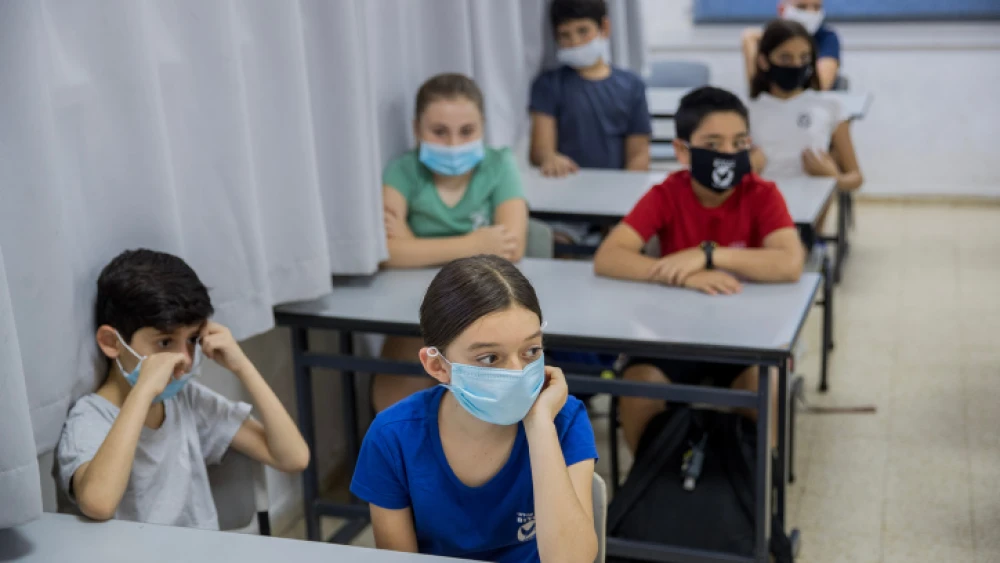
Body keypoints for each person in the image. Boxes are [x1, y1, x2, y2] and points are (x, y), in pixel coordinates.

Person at [592, 86, 804, 452]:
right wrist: (683, 274)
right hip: (675, 334)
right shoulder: (668, 193)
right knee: (639, 388)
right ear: (681, 151)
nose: (728, 154)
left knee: (765, 391)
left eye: (739, 143)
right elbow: (609, 256)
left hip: (748, 335)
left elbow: (789, 262)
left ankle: (753, 490)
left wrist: (709, 255)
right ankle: (655, 486)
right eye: (713, 143)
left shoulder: (761, 193)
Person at [351, 255, 599, 563]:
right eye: (489, 358)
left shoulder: (563, 420)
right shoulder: (393, 438)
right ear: (438, 365)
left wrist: (539, 425)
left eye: (531, 351)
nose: (516, 373)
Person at [56, 249, 309, 528]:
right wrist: (142, 392)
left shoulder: (185, 399)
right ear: (111, 342)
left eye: (192, 340)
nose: (185, 361)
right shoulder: (89, 418)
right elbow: (98, 503)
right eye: (165, 343)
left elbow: (293, 457)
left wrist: (242, 367)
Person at [374, 73, 530, 413]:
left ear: (483, 127)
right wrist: (474, 244)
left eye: (466, 131)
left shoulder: (499, 164)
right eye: (439, 132)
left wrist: (413, 245)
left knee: (486, 399)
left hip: (485, 305)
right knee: (395, 404)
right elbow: (386, 252)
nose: (453, 144)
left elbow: (512, 246)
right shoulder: (402, 170)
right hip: (409, 310)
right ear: (417, 129)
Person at [529, 0, 652, 180]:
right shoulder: (548, 84)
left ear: (604, 27)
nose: (575, 42)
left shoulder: (632, 85)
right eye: (565, 35)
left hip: (617, 190)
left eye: (583, 31)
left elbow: (639, 154)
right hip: (565, 187)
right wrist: (550, 159)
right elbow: (540, 150)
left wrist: (626, 193)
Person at [747, 20, 863, 199]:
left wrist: (833, 178)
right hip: (760, 209)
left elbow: (856, 178)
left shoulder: (831, 106)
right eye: (785, 58)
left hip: (809, 212)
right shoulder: (746, 111)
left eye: (804, 58)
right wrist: (746, 172)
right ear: (763, 61)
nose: (796, 65)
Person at [742, 0, 842, 91]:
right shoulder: (768, 37)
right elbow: (756, 91)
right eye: (801, 7)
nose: (810, 13)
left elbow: (821, 85)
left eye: (817, 7)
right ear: (782, 9)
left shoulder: (827, 37)